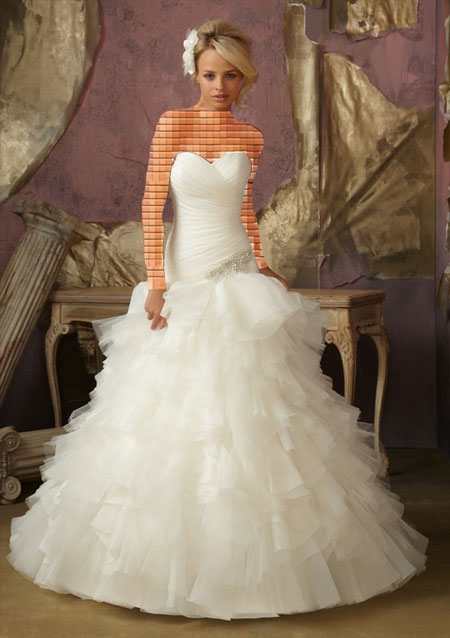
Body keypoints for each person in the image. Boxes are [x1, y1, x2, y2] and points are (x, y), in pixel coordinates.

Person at [6, 18, 428, 621]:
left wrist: (264, 263)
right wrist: (156, 284)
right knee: (172, 408)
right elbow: (152, 205)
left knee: (255, 410)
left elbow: (246, 211)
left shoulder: (250, 136)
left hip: (236, 272)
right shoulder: (172, 124)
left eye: (232, 76)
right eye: (210, 75)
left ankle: (260, 565)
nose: (221, 86)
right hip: (185, 277)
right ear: (194, 73)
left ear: (245, 79)